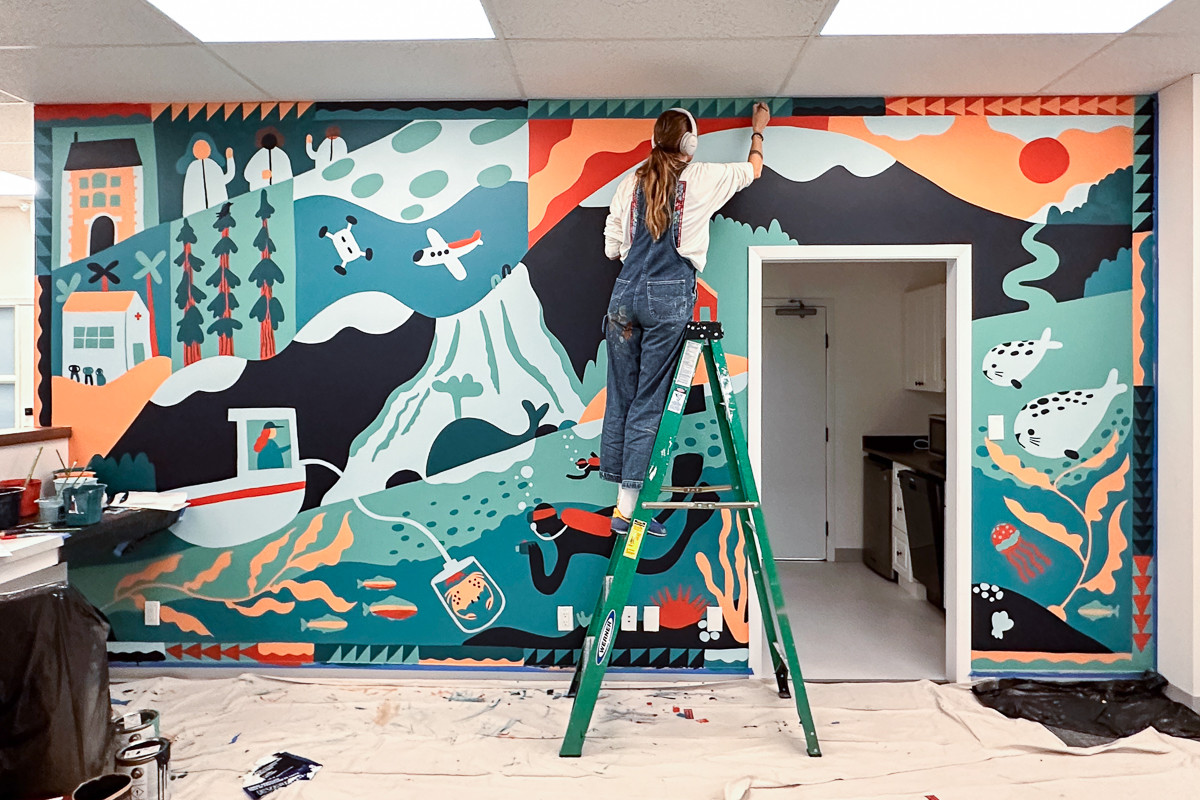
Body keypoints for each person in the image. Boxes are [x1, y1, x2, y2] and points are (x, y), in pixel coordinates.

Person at [601, 102, 770, 533]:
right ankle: (628, 510)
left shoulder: (629, 183)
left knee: (621, 396)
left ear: (656, 140)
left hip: (623, 296)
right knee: (649, 400)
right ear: (690, 144)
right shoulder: (705, 177)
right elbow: (754, 170)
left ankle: (621, 500)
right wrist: (757, 131)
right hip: (668, 296)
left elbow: (611, 250)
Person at [180, 134, 236, 216]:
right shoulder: (192, 168)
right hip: (196, 213)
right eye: (198, 148)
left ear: (210, 149)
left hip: (218, 209)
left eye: (205, 147)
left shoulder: (213, 165)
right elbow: (188, 192)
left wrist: (230, 159)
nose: (202, 150)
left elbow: (227, 177)